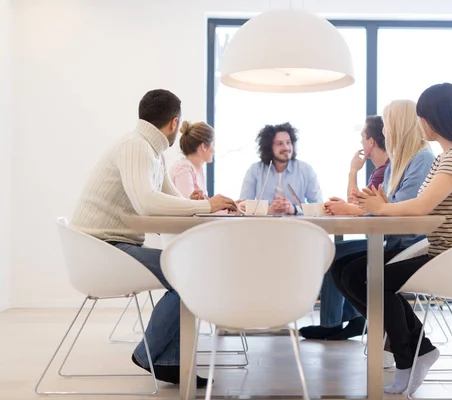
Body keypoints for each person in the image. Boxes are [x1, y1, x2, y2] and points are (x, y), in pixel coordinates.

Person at [70, 89, 237, 387]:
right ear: (174, 123)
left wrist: (202, 204)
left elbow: (170, 199)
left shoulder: (150, 151)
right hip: (102, 250)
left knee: (188, 270)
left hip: (110, 247)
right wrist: (206, 205)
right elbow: (147, 202)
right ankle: (151, 355)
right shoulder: (136, 147)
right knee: (187, 273)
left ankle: (169, 360)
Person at [334, 83, 452, 395]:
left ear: (433, 118)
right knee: (355, 274)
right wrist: (383, 206)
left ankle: (409, 356)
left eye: (421, 117)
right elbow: (419, 206)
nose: (419, 123)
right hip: (442, 251)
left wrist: (382, 207)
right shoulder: (450, 155)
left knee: (372, 279)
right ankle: (418, 350)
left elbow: (420, 207)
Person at [299, 103, 435, 341]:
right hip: (395, 242)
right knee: (343, 267)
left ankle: (403, 339)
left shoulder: (421, 159)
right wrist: (375, 205)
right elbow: (383, 203)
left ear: (398, 127)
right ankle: (398, 335)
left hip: (412, 245)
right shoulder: (398, 162)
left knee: (351, 271)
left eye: (388, 126)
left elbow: (400, 205)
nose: (385, 133)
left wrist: (373, 205)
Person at [239, 122, 322, 214]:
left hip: (297, 226)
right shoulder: (255, 170)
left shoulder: (306, 169)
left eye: (288, 142)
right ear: (269, 147)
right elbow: (242, 206)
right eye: (280, 144)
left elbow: (318, 206)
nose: (286, 147)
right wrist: (268, 210)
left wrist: (294, 209)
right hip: (263, 225)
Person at [170, 121, 215, 199]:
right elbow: (187, 206)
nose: (214, 150)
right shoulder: (183, 167)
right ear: (204, 146)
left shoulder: (199, 169)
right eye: (213, 144)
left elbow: (203, 202)